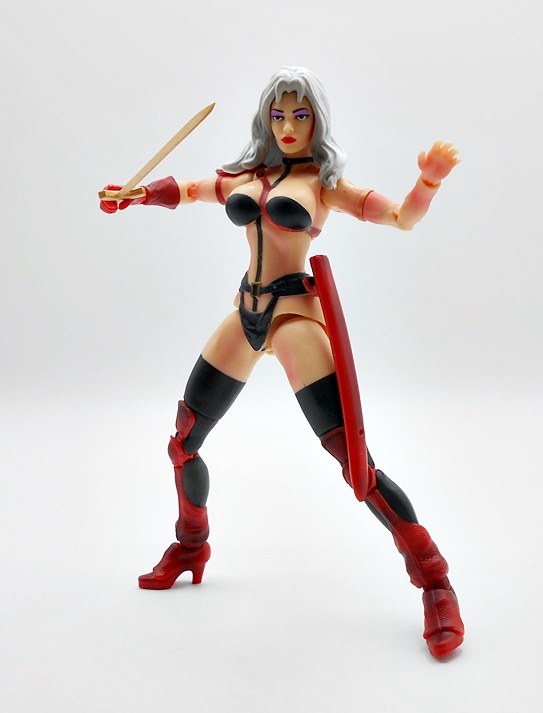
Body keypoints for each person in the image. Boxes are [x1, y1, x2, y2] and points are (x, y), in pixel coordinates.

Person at [100, 66, 464, 658]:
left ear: (316, 120)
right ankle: (191, 544)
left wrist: (428, 182)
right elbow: (189, 190)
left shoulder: (323, 183)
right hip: (246, 310)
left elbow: (402, 216)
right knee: (184, 442)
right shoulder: (245, 176)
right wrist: (134, 195)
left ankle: (435, 583)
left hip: (294, 317)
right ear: (264, 120)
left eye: (300, 114)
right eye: (278, 115)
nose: (288, 126)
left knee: (355, 463)